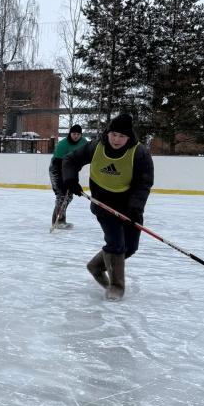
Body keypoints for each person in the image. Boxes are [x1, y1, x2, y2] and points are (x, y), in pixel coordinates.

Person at [62, 113, 154, 301]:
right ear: (108, 133)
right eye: (113, 134)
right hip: (103, 203)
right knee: (115, 244)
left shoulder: (139, 153)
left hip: (130, 205)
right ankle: (116, 286)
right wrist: (70, 179)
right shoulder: (96, 146)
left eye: (122, 136)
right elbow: (70, 160)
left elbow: (144, 183)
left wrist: (135, 208)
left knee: (130, 247)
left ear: (129, 136)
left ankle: (96, 266)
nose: (116, 140)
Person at [48, 124, 87, 229]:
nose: (76, 136)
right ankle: (57, 222)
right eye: (74, 134)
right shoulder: (62, 145)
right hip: (57, 170)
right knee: (62, 194)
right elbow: (57, 164)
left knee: (68, 195)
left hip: (71, 169)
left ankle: (61, 220)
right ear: (70, 133)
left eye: (78, 134)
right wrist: (66, 180)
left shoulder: (84, 143)